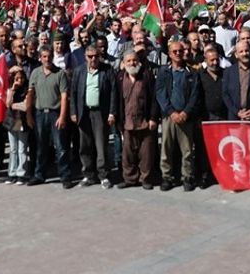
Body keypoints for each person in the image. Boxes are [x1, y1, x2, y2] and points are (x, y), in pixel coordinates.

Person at [27, 37, 73, 187]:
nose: (47, 59)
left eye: (50, 56)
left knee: (60, 147)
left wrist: (62, 116)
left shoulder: (60, 74)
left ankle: (65, 176)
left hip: (55, 113)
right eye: (44, 57)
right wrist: (29, 114)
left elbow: (65, 97)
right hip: (40, 114)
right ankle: (39, 175)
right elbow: (30, 94)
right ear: (40, 58)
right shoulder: (35, 73)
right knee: (41, 146)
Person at [155, 39, 200, 191]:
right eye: (175, 51)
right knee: (166, 149)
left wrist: (186, 112)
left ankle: (187, 176)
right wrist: (171, 112)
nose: (178, 54)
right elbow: (160, 93)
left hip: (185, 117)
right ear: (169, 54)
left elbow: (195, 95)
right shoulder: (163, 72)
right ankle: (167, 177)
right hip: (169, 117)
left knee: (187, 150)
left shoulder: (192, 73)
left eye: (181, 51)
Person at [68, 43, 116, 188]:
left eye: (96, 56)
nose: (93, 59)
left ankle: (103, 175)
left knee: (101, 145)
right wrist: (73, 112)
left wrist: (112, 112)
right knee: (85, 145)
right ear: (85, 57)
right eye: (90, 56)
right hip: (84, 112)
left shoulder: (107, 70)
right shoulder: (79, 71)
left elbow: (113, 92)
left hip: (100, 112)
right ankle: (88, 174)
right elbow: (74, 92)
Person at [113, 48, 158, 189]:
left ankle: (145, 178)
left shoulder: (146, 75)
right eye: (129, 61)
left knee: (146, 153)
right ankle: (130, 179)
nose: (132, 63)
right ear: (124, 63)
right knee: (128, 153)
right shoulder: (120, 77)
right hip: (127, 122)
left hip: (144, 121)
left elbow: (154, 99)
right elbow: (116, 99)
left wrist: (153, 118)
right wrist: (116, 118)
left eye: (134, 60)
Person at [4, 66, 33, 184]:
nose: (19, 81)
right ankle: (12, 173)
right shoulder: (11, 89)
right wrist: (12, 90)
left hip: (23, 121)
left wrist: (13, 105)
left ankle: (22, 173)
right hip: (12, 121)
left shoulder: (27, 90)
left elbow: (25, 106)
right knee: (13, 149)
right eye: (17, 78)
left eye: (21, 78)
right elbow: (7, 103)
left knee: (22, 149)